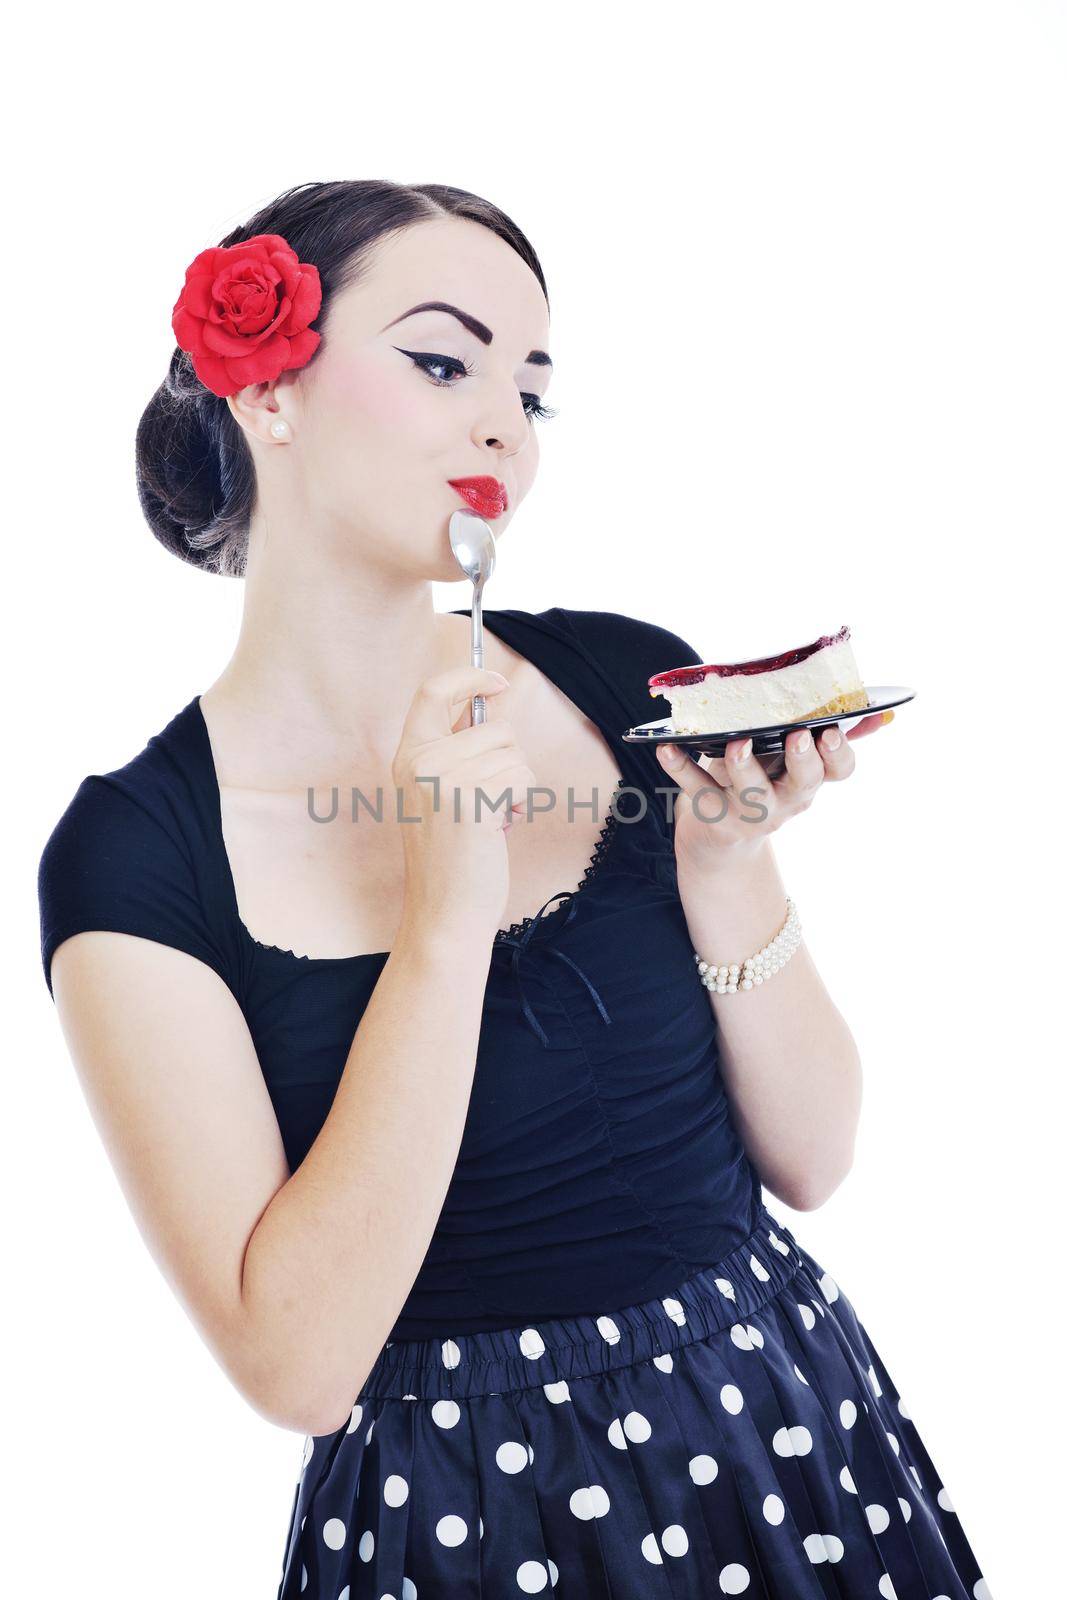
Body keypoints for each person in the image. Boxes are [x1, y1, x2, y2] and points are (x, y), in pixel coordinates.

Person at [37, 179, 992, 1600]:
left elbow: (816, 1156)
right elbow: (299, 1367)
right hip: (469, 1525)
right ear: (268, 392)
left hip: (786, 1440)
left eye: (533, 391)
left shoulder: (623, 680)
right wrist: (444, 907)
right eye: (442, 361)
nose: (506, 430)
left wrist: (722, 860)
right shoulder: (134, 855)